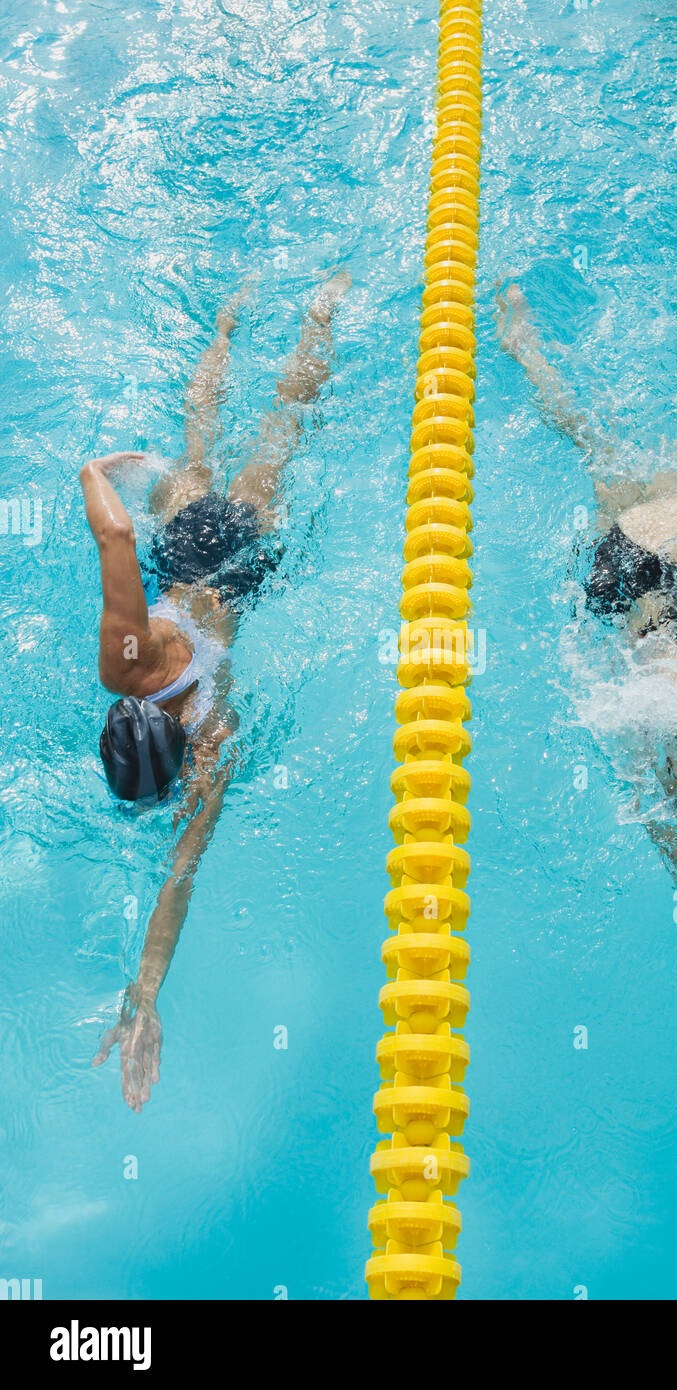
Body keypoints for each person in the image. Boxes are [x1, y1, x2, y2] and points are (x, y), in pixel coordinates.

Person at [496, 281, 677, 1158]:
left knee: (674, 450)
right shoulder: (661, 799)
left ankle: (558, 353)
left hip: (653, 562)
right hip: (608, 595)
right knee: (593, 453)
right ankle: (527, 352)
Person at [82, 272, 351, 1110]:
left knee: (280, 437)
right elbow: (115, 530)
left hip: (242, 577)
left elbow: (180, 876)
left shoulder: (212, 739)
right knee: (197, 440)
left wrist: (148, 994)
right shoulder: (128, 665)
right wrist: (95, 468)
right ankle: (231, 317)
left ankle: (321, 317)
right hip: (181, 553)